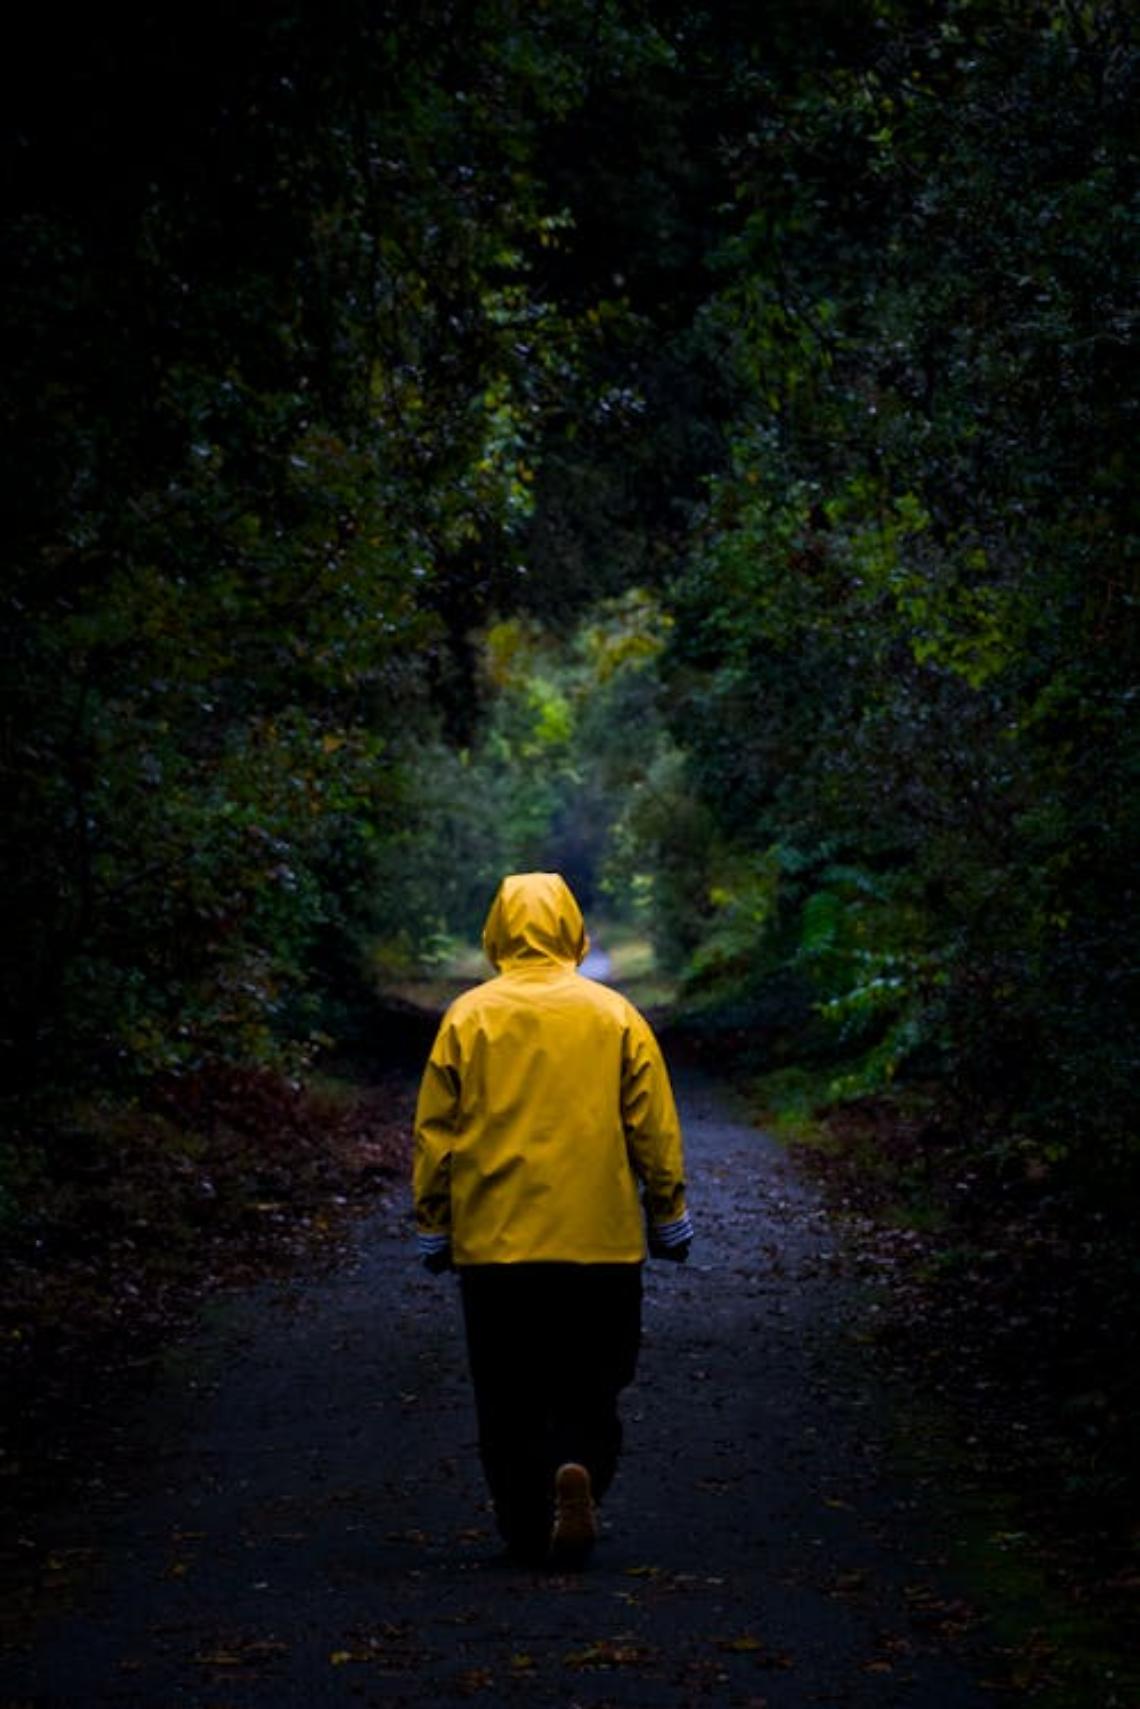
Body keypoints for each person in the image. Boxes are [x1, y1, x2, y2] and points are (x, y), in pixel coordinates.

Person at [412, 871, 692, 1568]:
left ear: (496, 931)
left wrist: (433, 1222)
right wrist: (669, 1212)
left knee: (506, 1389)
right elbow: (652, 1125)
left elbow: (435, 1133)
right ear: (572, 928)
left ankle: (523, 1523)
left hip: (495, 1246)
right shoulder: (614, 1015)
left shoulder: (468, 1017)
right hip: (599, 1243)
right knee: (596, 1377)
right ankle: (581, 1470)